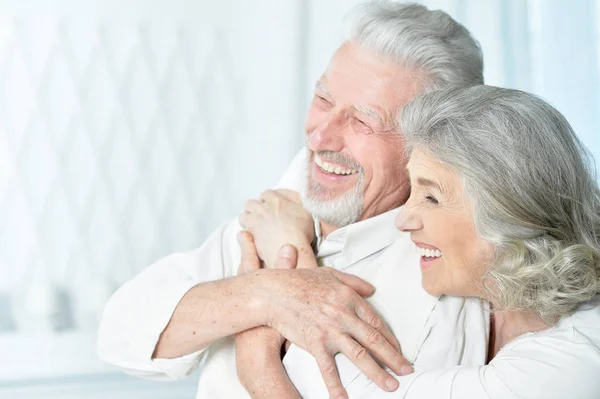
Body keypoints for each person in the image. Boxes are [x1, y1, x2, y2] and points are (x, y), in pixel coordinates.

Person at [97, 3, 486, 398]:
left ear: (433, 147)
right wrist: (266, 295)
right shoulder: (284, 208)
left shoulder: (442, 288)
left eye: (362, 122)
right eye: (322, 99)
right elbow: (120, 334)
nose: (320, 139)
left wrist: (257, 359)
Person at [238, 85, 600, 398]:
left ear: (510, 214)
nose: (403, 220)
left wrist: (286, 257)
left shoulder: (574, 361)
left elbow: (360, 393)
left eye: (430, 198)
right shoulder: (490, 301)